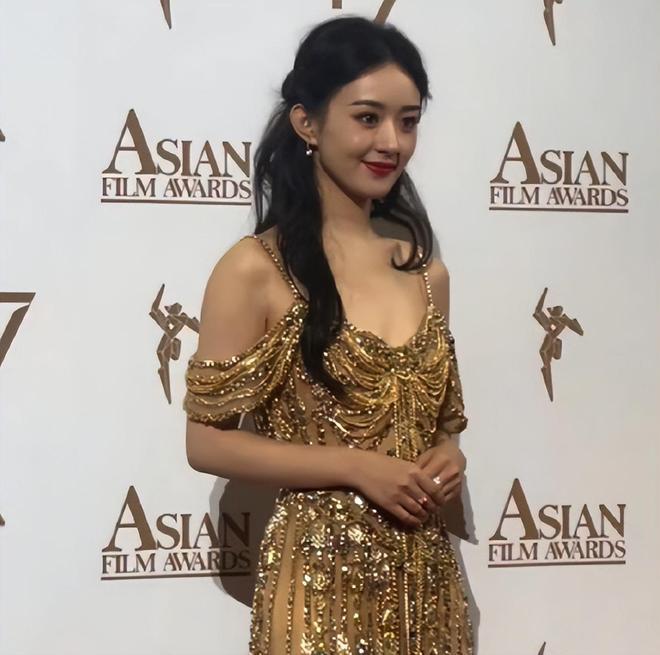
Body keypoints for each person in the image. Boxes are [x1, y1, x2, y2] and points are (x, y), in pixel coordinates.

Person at [183, 15, 473, 655]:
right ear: (307, 123)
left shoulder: (427, 274)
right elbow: (205, 442)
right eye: (368, 118)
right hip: (317, 590)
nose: (391, 142)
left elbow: (441, 426)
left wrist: (449, 458)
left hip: (428, 587)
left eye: (408, 121)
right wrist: (354, 467)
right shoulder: (256, 268)